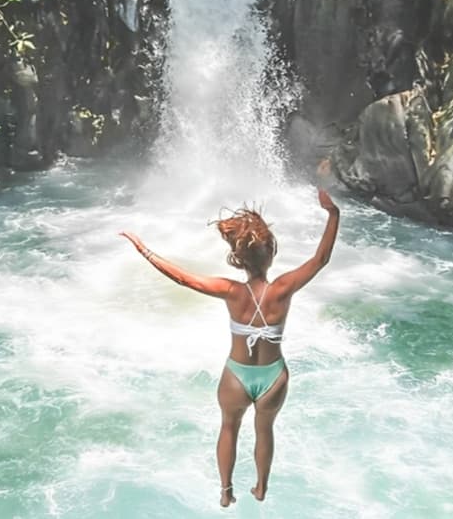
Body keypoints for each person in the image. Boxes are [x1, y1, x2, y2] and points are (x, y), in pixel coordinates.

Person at [120, 188, 341, 507]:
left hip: (237, 376)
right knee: (265, 431)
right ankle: (261, 487)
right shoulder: (283, 289)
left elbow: (185, 280)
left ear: (239, 259)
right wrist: (333, 214)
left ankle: (225, 493)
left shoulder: (231, 290)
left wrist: (145, 250)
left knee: (228, 428)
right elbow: (321, 259)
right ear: (271, 254)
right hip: (274, 377)